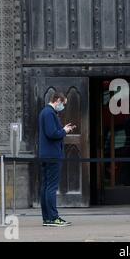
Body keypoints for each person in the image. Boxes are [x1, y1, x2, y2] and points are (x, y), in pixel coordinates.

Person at [38, 92, 76, 227]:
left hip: (46, 154)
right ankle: (53, 218)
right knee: (51, 187)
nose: (63, 106)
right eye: (63, 104)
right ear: (58, 100)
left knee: (46, 186)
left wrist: (64, 129)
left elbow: (52, 131)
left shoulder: (46, 112)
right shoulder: (49, 113)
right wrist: (64, 131)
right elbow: (52, 134)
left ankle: (47, 218)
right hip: (52, 155)